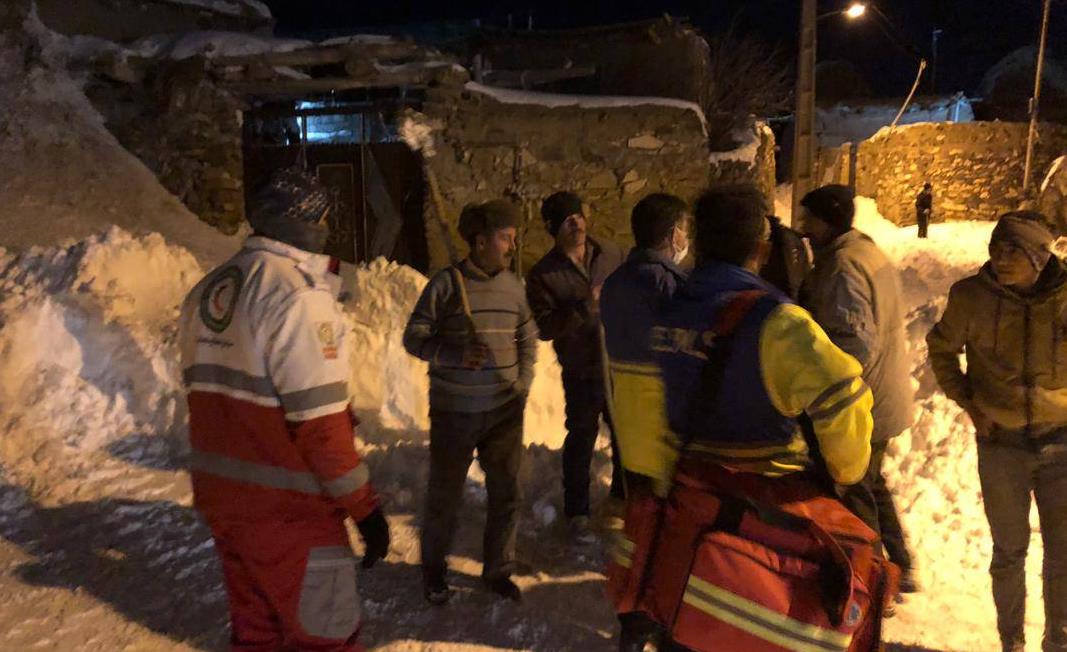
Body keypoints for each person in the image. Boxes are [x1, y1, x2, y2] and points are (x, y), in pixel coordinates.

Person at [178, 166, 389, 652]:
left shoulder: (210, 288)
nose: (326, 229)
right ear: (308, 222)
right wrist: (366, 510)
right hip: (290, 511)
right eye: (324, 219)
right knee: (326, 636)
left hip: (225, 503)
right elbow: (323, 430)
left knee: (258, 635)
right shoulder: (298, 297)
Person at [927, 211, 1067, 652]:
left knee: (1063, 554)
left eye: (1013, 251)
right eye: (996, 248)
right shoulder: (971, 297)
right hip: (1001, 445)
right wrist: (970, 403)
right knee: (1008, 552)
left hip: (1061, 442)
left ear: (1039, 257)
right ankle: (1012, 641)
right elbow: (941, 349)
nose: (1000, 259)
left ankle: (1059, 640)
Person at [403, 199, 538, 605]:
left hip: (504, 411)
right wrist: (454, 354)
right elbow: (414, 338)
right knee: (445, 495)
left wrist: (523, 384)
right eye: (506, 238)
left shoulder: (513, 286)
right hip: (454, 412)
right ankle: (433, 570)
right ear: (480, 242)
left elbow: (527, 337)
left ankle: (498, 570)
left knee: (507, 492)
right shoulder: (446, 286)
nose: (512, 247)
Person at [798, 183, 918, 592]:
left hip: (864, 401)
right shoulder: (864, 250)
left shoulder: (842, 266)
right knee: (871, 482)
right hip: (883, 393)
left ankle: (873, 578)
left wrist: (824, 389)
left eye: (810, 220)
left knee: (854, 490)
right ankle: (899, 565)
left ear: (828, 221)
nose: (804, 228)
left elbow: (854, 343)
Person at [526, 191, 624, 545]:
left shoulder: (610, 253)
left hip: (617, 362)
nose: (576, 223)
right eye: (567, 220)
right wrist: (585, 307)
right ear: (553, 228)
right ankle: (577, 510)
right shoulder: (543, 275)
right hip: (581, 369)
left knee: (624, 434)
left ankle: (621, 499)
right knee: (582, 436)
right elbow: (545, 327)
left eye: (578, 215)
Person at [600, 193, 690, 495]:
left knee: (638, 508)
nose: (687, 238)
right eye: (685, 229)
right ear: (673, 234)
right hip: (663, 431)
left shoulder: (614, 283)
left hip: (626, 424)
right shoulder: (673, 286)